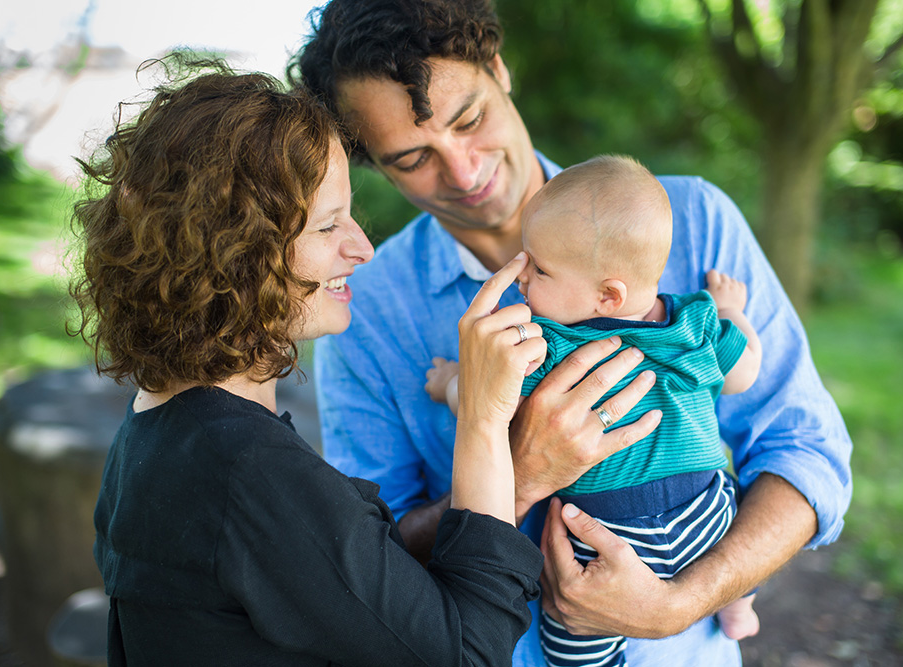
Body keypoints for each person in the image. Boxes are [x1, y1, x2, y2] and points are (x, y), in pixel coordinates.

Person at [291, 1, 853, 664]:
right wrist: (517, 474)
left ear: (499, 70)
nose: (465, 173)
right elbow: (371, 564)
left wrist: (682, 600)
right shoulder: (368, 313)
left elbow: (805, 449)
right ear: (376, 166)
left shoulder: (689, 219)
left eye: (469, 119)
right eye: (413, 157)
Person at [67, 55, 553, 666]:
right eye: (327, 228)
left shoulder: (159, 428)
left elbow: (354, 588)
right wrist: (483, 419)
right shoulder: (246, 471)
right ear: (236, 255)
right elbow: (469, 654)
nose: (363, 247)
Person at [424, 155, 763, 665]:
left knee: (572, 623)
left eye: (538, 268)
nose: (521, 279)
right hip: (708, 513)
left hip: (606, 531)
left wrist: (452, 379)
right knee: (732, 544)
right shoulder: (694, 322)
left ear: (608, 295)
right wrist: (731, 310)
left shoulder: (553, 343)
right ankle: (738, 602)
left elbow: (492, 396)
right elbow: (744, 374)